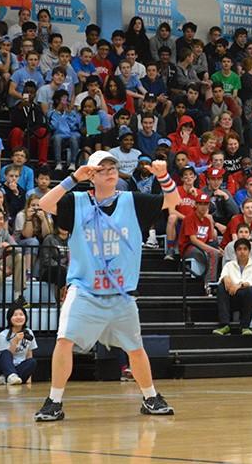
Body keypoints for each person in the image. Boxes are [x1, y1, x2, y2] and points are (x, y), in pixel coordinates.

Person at [33, 150, 180, 422]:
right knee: (64, 341)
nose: (110, 171)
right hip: (84, 291)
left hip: (121, 294)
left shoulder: (131, 201)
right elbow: (44, 202)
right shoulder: (76, 201)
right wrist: (73, 178)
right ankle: (54, 401)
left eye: (112, 167)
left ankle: (150, 397)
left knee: (135, 348)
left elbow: (174, 200)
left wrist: (164, 176)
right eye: (102, 169)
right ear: (91, 176)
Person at [213, 238, 252, 336]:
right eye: (239, 249)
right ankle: (224, 325)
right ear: (235, 252)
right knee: (221, 287)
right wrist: (225, 278)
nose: (242, 252)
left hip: (251, 298)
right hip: (234, 296)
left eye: (245, 249)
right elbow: (221, 279)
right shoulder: (229, 265)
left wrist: (240, 285)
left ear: (249, 251)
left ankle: (245, 326)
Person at [0, 305, 38, 386]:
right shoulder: (3, 335)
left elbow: (29, 354)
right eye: (15, 315)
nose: (19, 317)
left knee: (32, 362)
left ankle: (3, 380)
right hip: (2, 369)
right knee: (6, 353)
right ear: (9, 318)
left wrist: (29, 378)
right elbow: (5, 357)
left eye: (21, 314)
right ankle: (9, 377)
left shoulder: (29, 332)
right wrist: (15, 341)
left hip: (19, 368)